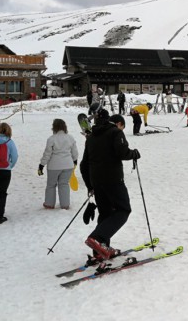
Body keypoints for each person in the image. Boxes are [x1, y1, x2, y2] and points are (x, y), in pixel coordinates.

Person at [80, 108, 141, 260]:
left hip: (96, 180)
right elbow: (122, 153)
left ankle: (99, 250)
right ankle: (98, 238)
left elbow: (84, 164)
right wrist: (134, 153)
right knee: (123, 210)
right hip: (113, 179)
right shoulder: (115, 132)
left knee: (105, 213)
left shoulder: (91, 137)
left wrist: (90, 185)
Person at [38, 119, 79, 210]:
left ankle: (49, 203)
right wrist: (74, 160)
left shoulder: (51, 139)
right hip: (68, 165)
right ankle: (65, 205)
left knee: (51, 185)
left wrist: (42, 164)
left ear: (54, 127)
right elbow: (75, 152)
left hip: (54, 166)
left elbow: (47, 154)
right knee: (64, 184)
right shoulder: (70, 138)